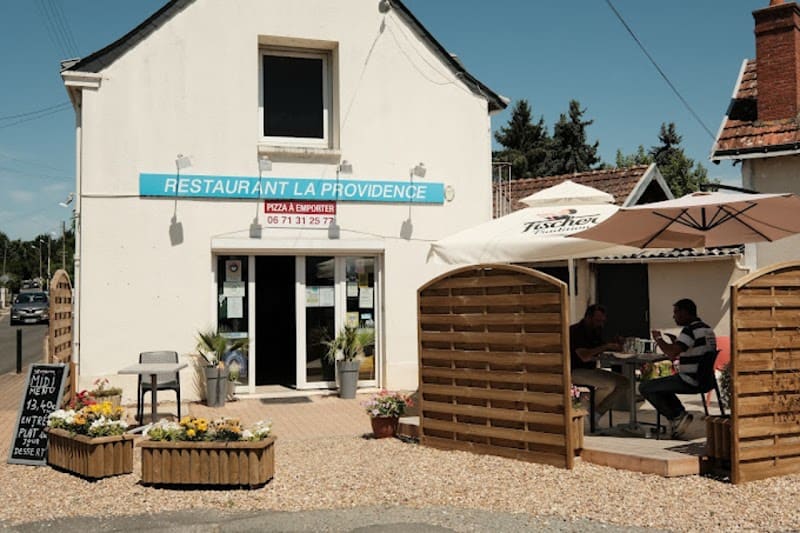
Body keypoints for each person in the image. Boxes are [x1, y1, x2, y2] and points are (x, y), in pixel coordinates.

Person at [642, 298, 717, 439]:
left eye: (676, 312)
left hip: (690, 379)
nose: (674, 316)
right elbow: (691, 350)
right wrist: (676, 342)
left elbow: (671, 353)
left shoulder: (690, 330)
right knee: (660, 385)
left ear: (685, 313)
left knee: (646, 387)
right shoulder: (706, 329)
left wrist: (658, 339)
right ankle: (679, 415)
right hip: (705, 379)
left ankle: (677, 416)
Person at [570, 304, 628, 428]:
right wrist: (606, 346)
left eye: (602, 321)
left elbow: (600, 350)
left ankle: (595, 413)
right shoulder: (576, 331)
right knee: (609, 384)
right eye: (597, 320)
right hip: (575, 371)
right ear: (588, 317)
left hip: (591, 370)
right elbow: (584, 356)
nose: (600, 324)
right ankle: (587, 408)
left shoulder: (595, 331)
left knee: (624, 382)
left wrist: (616, 345)